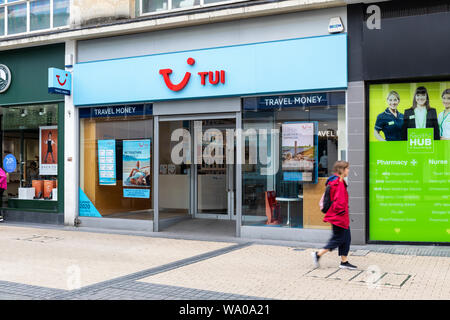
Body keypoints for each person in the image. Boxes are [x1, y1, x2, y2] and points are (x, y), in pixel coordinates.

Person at [311, 161, 357, 270]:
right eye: (347, 168)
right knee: (338, 239)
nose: (348, 170)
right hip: (339, 217)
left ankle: (344, 262)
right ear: (342, 169)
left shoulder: (336, 181)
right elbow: (339, 202)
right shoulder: (338, 183)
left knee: (346, 238)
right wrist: (342, 213)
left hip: (339, 216)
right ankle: (318, 254)